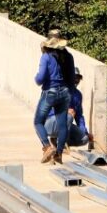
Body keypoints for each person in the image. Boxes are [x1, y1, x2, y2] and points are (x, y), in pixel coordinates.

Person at [33, 29, 76, 164]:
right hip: (65, 92)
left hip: (50, 92)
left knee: (38, 121)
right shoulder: (69, 56)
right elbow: (72, 79)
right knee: (63, 125)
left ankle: (47, 147)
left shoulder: (46, 57)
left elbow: (40, 78)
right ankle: (59, 154)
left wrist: (37, 79)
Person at [45, 70, 91, 150]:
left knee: (84, 139)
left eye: (78, 78)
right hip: (50, 123)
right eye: (74, 77)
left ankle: (56, 141)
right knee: (69, 116)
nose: (76, 80)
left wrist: (85, 132)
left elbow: (79, 116)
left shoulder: (78, 95)